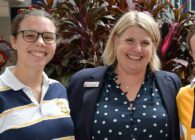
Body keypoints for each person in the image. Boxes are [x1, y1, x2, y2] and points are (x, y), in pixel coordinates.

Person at [68, 11, 182, 140]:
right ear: (116, 41)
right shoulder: (82, 82)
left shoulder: (171, 84)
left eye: (145, 43)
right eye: (129, 40)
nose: (137, 49)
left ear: (154, 46)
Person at [0, 9, 74, 139]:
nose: (40, 42)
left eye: (48, 37)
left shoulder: (58, 89)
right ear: (14, 41)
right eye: (29, 35)